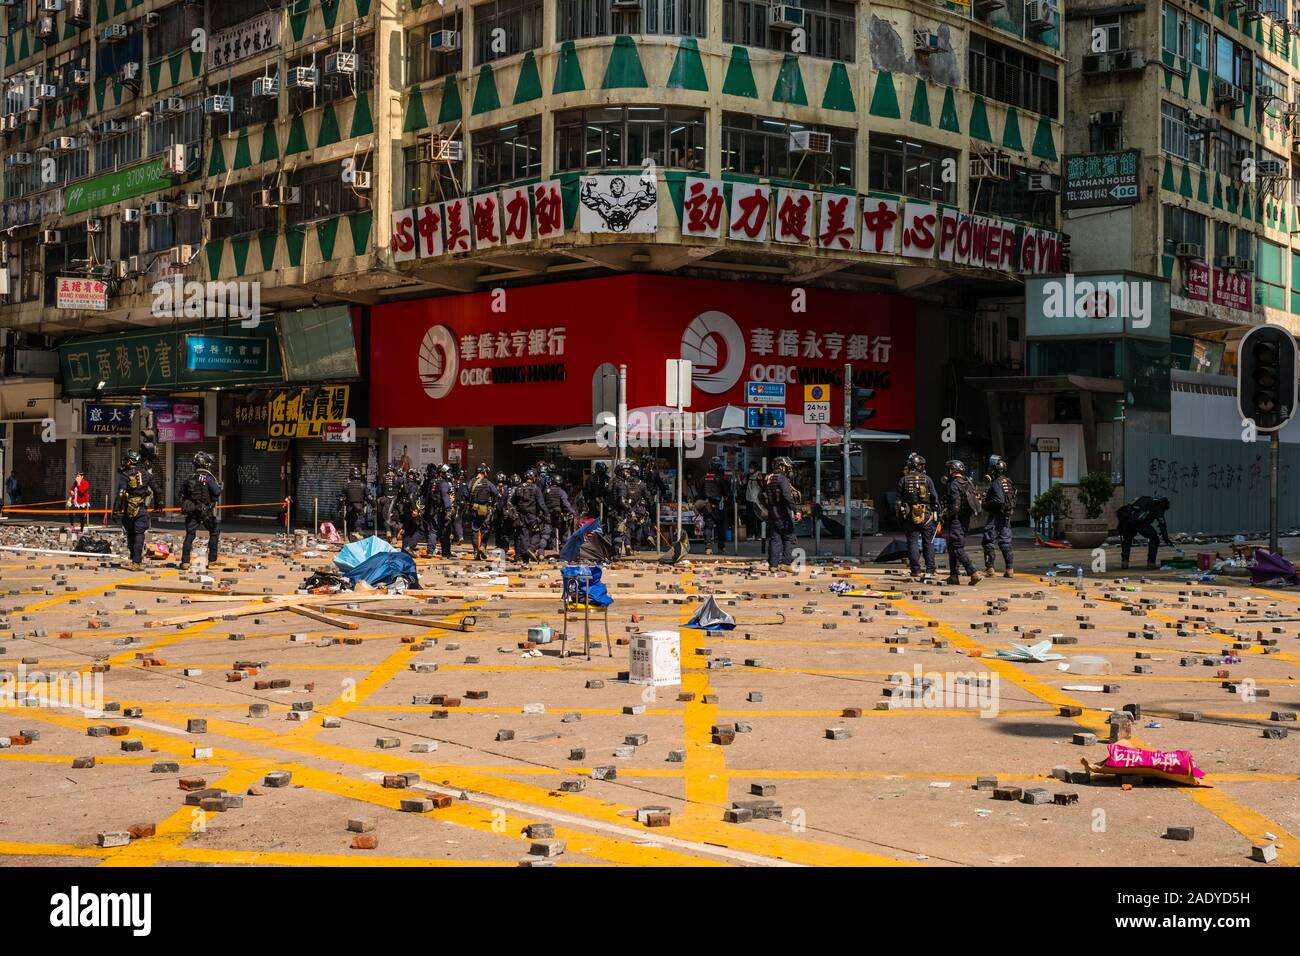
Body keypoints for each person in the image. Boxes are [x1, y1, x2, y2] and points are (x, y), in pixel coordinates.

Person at [897, 452, 939, 580]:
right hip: (926, 514)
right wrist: (937, 514)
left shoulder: (903, 480)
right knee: (928, 542)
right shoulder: (928, 479)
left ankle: (915, 570)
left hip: (910, 514)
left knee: (912, 542)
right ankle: (930, 569)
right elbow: (935, 498)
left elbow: (898, 501)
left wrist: (900, 517)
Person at [113, 450, 156, 570]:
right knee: (139, 535)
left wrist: (115, 510)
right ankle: (136, 562)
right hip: (141, 509)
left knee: (131, 535)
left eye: (125, 460)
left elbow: (120, 494)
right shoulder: (146, 474)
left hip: (128, 510)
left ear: (130, 461)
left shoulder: (125, 475)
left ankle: (134, 558)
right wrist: (159, 504)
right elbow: (157, 490)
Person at [179, 451, 222, 567]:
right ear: (206, 464)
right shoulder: (208, 478)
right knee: (214, 531)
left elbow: (182, 494)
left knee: (190, 534)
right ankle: (212, 560)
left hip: (192, 511)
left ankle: (185, 561)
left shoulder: (190, 478)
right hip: (205, 511)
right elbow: (216, 492)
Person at [943, 460, 982, 586]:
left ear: (952, 470)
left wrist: (946, 515)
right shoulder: (968, 482)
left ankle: (973, 572)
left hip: (956, 519)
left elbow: (955, 505)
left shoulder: (954, 483)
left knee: (957, 547)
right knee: (951, 546)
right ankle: (953, 575)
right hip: (966, 520)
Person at [981, 454, 1016, 578]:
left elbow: (998, 500)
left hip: (996, 516)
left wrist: (985, 504)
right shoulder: (1008, 481)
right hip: (1006, 515)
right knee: (1006, 542)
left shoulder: (996, 483)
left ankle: (990, 568)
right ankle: (1010, 569)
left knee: (988, 540)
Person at [764, 457, 800, 572]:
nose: (787, 470)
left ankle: (773, 565)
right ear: (781, 466)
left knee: (775, 539)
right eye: (786, 467)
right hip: (782, 512)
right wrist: (796, 510)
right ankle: (785, 563)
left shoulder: (769, 478)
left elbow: (762, 495)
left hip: (771, 513)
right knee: (789, 537)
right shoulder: (782, 479)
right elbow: (787, 497)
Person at [1117, 495, 1172, 570]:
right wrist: (1166, 538)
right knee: (1154, 539)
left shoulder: (1142, 498)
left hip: (1128, 521)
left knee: (1127, 540)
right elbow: (1161, 522)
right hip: (1141, 522)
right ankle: (1151, 563)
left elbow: (1128, 508)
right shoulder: (1160, 504)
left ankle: (1124, 562)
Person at [510, 469, 547, 563]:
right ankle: (531, 549)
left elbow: (512, 502)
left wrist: (515, 514)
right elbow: (541, 504)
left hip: (521, 516)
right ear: (534, 478)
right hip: (532, 516)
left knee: (523, 536)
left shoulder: (518, 488)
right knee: (537, 534)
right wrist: (547, 514)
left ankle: (525, 559)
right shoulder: (536, 488)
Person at [467, 464, 500, 560]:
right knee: (486, 529)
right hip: (485, 510)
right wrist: (493, 504)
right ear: (484, 472)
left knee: (475, 530)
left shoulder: (471, 482)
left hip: (473, 509)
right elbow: (497, 494)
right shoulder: (488, 483)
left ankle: (476, 551)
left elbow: (466, 494)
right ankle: (482, 546)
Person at [426, 464, 454, 559]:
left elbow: (427, 497)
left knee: (433, 531)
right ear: (441, 473)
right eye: (445, 472)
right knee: (445, 531)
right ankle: (446, 553)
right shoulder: (444, 483)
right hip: (442, 511)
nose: (447, 474)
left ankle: (430, 551)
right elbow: (445, 497)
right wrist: (449, 510)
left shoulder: (432, 482)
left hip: (433, 510)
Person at [543, 470, 575, 552]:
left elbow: (542, 502)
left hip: (548, 515)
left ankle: (549, 548)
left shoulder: (546, 491)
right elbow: (566, 503)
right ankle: (563, 549)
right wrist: (572, 512)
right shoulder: (561, 491)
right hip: (558, 515)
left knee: (548, 533)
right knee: (565, 531)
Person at [338, 467, 371, 539]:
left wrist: (339, 509)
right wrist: (374, 506)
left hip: (350, 509)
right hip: (360, 510)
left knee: (350, 528)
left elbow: (341, 499)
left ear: (350, 475)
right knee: (359, 526)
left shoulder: (346, 485)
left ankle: (351, 541)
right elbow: (369, 498)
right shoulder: (363, 485)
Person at [744, 462, 763, 538]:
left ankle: (758, 534)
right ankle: (751, 534)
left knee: (758, 517)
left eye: (752, 467)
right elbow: (743, 483)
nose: (750, 469)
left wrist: (760, 480)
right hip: (749, 499)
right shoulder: (748, 475)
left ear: (755, 468)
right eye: (749, 467)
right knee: (750, 517)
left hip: (757, 500)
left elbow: (762, 485)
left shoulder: (759, 475)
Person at [67, 469, 90, 533]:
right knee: (70, 511)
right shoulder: (75, 482)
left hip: (82, 501)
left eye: (79, 476)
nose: (77, 477)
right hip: (75, 500)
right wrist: (71, 491)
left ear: (82, 477)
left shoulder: (85, 483)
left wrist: (79, 484)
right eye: (77, 476)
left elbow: (82, 491)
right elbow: (72, 488)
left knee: (82, 516)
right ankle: (72, 526)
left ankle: (82, 529)